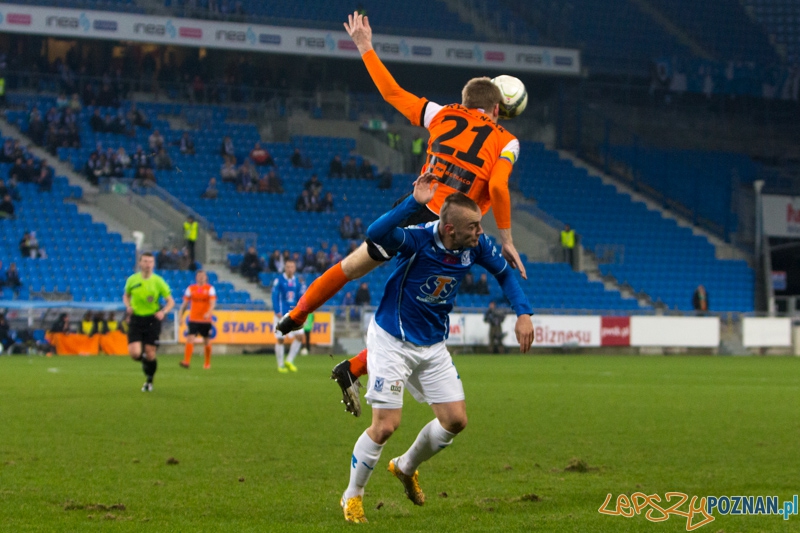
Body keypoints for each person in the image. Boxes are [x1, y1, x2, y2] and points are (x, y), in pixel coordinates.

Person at [277, 11, 527, 350]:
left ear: (465, 102)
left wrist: (365, 46)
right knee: (422, 309)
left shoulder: (442, 113)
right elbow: (497, 186)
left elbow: (391, 92)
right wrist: (507, 238)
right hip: (451, 226)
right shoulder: (506, 141)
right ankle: (358, 366)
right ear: (497, 110)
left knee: (352, 266)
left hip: (415, 207)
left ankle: (299, 312)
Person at [338, 174, 533, 523]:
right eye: (473, 226)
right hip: (392, 341)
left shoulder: (476, 245)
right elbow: (375, 234)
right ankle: (352, 496)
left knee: (455, 420)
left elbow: (504, 274)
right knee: (385, 426)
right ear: (449, 229)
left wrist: (523, 313)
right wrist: (413, 203)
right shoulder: (417, 240)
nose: (480, 231)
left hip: (432, 345)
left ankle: (405, 466)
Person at [123, 252, 175, 392]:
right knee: (135, 354)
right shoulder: (132, 280)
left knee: (150, 353)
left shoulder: (158, 281)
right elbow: (126, 295)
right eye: (145, 261)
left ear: (154, 264)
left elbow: (170, 301)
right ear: (140, 263)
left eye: (150, 262)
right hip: (136, 319)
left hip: (152, 320)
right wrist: (128, 306)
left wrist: (163, 312)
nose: (148, 264)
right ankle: (146, 361)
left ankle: (149, 381)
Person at [179, 269, 217, 369]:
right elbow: (185, 304)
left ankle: (207, 363)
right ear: (196, 277)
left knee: (206, 340)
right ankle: (186, 361)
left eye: (203, 276)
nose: (201, 277)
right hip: (193, 319)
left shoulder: (210, 288)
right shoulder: (191, 288)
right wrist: (180, 316)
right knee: (190, 338)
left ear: (206, 277)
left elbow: (212, 303)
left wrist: (208, 313)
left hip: (205, 320)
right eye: (199, 276)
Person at [271, 260, 304, 373]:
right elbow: (274, 296)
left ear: (295, 268)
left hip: (294, 314)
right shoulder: (279, 280)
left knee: (300, 336)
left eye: (292, 267)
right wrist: (277, 310)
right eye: (288, 267)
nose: (290, 269)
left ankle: (289, 360)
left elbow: (300, 297)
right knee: (280, 339)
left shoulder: (297, 281)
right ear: (285, 268)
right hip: (281, 315)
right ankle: (280, 365)